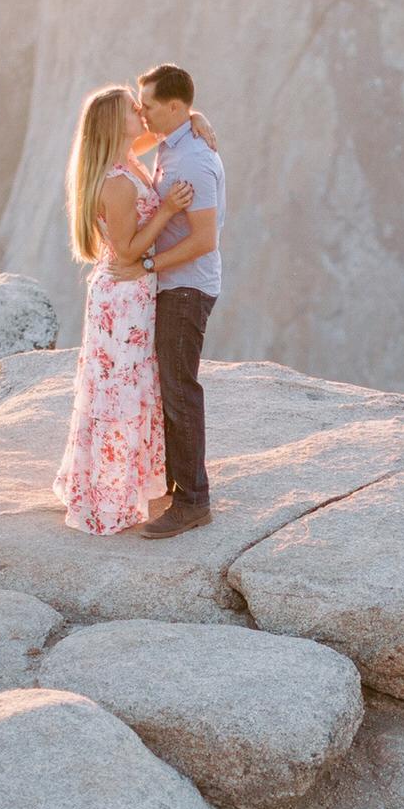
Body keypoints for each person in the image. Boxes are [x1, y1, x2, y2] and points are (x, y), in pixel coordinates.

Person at [52, 82, 214, 535]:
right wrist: (166, 211)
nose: (141, 111)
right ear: (114, 124)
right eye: (131, 108)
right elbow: (126, 252)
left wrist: (193, 118)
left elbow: (161, 131)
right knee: (119, 392)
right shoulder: (119, 182)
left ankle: (125, 482)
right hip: (123, 296)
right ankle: (109, 496)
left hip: (129, 293)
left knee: (131, 387)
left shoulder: (124, 158)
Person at [133, 62, 226, 540]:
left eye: (147, 106)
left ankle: (193, 501)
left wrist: (149, 265)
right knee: (169, 386)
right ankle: (177, 486)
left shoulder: (192, 161)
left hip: (186, 288)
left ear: (172, 106)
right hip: (174, 285)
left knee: (179, 389)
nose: (140, 113)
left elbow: (205, 240)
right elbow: (123, 140)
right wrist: (195, 116)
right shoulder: (172, 142)